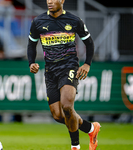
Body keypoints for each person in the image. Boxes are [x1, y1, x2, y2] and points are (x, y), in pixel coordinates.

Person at [27, 0, 100, 150]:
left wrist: (87, 64)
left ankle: (75, 146)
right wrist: (31, 62)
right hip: (50, 71)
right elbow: (31, 44)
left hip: (69, 67)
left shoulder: (74, 20)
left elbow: (89, 43)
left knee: (67, 106)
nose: (50, 2)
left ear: (62, 1)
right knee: (58, 116)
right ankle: (91, 129)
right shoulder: (38, 21)